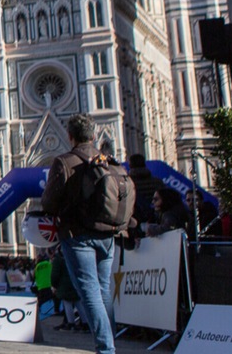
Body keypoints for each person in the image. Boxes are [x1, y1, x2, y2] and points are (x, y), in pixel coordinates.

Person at [41, 113, 124, 354]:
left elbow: (49, 202)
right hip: (107, 235)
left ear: (69, 136)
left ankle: (106, 348)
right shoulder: (107, 160)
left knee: (89, 292)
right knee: (103, 290)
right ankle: (110, 342)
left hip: (78, 236)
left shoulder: (65, 162)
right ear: (95, 135)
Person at [126, 155, 162, 225]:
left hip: (135, 220)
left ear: (130, 165)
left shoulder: (128, 183)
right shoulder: (157, 182)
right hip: (156, 218)